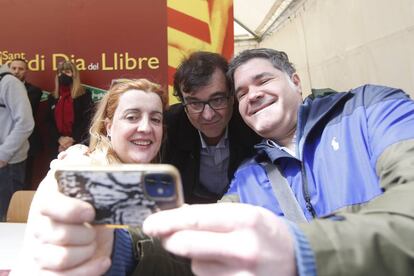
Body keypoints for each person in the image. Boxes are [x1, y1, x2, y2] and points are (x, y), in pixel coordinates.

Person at [142, 48, 414, 275]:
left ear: (296, 81)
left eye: (263, 81)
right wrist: (123, 248)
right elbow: (203, 233)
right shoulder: (249, 175)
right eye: (243, 93)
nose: (253, 95)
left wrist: (301, 250)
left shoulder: (369, 110)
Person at [11, 79, 173, 275]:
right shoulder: (79, 170)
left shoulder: (155, 186)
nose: (146, 128)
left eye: (155, 119)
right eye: (132, 117)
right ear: (108, 127)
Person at [163, 51, 260, 203]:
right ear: (183, 104)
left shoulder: (253, 121)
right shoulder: (168, 127)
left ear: (232, 97)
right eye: (195, 103)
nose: (208, 115)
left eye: (218, 100)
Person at [0, 64, 34, 221]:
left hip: (8, 164)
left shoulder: (9, 83)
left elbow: (25, 123)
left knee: (7, 219)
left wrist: (3, 154)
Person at [47, 60, 93, 157]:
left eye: (67, 72)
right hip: (58, 145)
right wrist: (60, 140)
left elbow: (88, 119)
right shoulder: (52, 97)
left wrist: (71, 139)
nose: (63, 75)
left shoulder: (84, 94)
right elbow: (48, 121)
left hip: (80, 143)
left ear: (74, 74)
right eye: (60, 72)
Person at [9, 58, 43, 189]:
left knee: (24, 181)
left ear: (26, 71)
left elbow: (21, 112)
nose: (16, 71)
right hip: (4, 143)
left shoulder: (34, 91)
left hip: (27, 143)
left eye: (20, 69)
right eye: (14, 68)